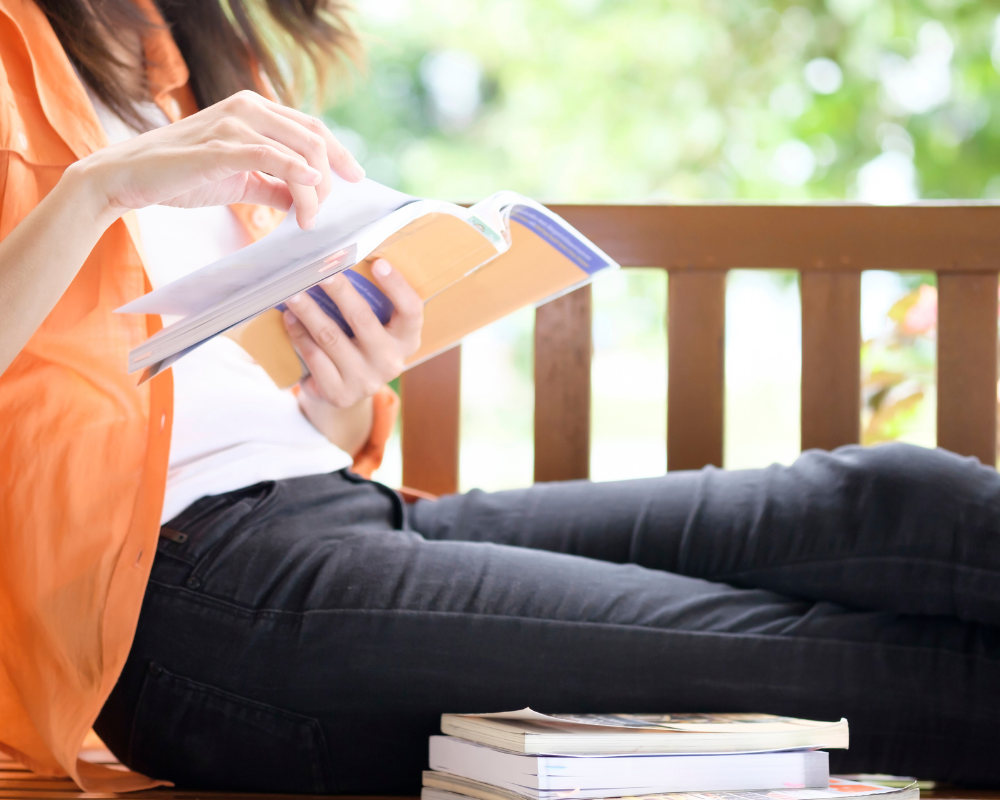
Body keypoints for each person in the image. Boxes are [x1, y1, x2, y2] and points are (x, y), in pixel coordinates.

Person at [1, 0, 997, 794]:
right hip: (191, 609)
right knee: (837, 658)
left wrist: (343, 380)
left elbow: (302, 422)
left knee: (892, 496)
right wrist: (95, 188)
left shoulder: (190, 56)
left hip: (336, 516)